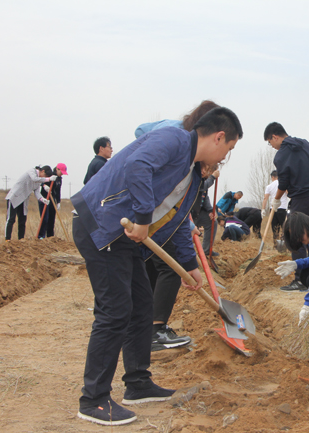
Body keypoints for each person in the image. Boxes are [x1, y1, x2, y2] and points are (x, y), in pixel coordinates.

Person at [71, 106, 242, 426]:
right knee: (115, 310)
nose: (224, 158)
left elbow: (177, 223)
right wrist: (142, 218)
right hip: (103, 224)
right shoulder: (174, 140)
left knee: (141, 305)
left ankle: (137, 383)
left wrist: (190, 266)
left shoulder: (191, 176)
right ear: (219, 137)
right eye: (228, 149)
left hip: (125, 237)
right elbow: (138, 166)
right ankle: (93, 399)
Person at [136, 101, 222, 352]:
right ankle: (155, 329)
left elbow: (179, 206)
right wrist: (189, 261)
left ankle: (147, 327)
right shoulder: (177, 145)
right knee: (170, 268)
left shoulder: (185, 152)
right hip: (148, 224)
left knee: (155, 265)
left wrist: (188, 224)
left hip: (154, 225)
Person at [264, 122, 309, 291]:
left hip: (302, 198)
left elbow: (283, 182)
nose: (272, 147)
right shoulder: (305, 143)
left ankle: (300, 280)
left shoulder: (281, 155)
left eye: (270, 143)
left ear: (274, 137)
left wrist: (276, 199)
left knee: (295, 236)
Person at [5, 166, 57, 241]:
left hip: (24, 200)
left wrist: (42, 199)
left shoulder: (39, 181)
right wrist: (48, 179)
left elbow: (37, 192)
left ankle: (21, 240)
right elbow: (34, 179)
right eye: (45, 176)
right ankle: (7, 239)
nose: (44, 178)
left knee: (22, 220)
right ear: (42, 171)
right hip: (15, 197)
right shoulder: (32, 171)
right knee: (11, 219)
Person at [38, 163, 67, 239]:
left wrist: (58, 202)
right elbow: (40, 180)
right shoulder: (50, 174)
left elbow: (58, 191)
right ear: (57, 169)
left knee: (51, 219)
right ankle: (41, 236)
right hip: (44, 199)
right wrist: (44, 186)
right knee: (45, 219)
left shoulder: (59, 179)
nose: (62, 174)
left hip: (52, 201)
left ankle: (50, 237)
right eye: (61, 172)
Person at [261, 170, 288, 248]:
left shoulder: (269, 186)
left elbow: (265, 198)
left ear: (273, 177)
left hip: (273, 209)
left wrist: (263, 209)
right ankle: (284, 244)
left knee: (275, 228)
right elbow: (289, 193)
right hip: (282, 208)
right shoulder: (283, 184)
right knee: (284, 227)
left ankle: (275, 244)